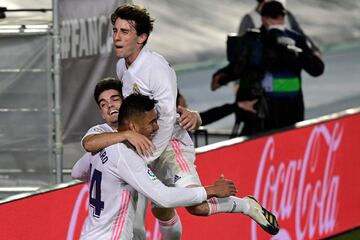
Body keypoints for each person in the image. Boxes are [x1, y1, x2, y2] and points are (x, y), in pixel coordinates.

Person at [84, 4, 279, 239]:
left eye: (125, 32)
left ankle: (246, 206)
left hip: (170, 145)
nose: (117, 37)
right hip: (146, 144)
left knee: (196, 206)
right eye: (115, 30)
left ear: (142, 37)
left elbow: (166, 119)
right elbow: (139, 110)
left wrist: (146, 155)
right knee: (160, 210)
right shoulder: (121, 66)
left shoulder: (155, 68)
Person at [72, 93, 238, 240]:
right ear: (133, 127)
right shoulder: (125, 156)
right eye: (151, 122)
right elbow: (164, 197)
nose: (156, 127)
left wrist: (110, 180)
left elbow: (77, 172)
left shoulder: (100, 147)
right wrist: (211, 190)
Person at [212, 1, 324, 136]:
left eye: (280, 17)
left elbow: (317, 69)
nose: (278, 21)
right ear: (263, 19)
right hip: (260, 111)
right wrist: (222, 77)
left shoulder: (295, 40)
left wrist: (298, 53)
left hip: (291, 110)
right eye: (274, 17)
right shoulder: (253, 40)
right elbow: (239, 67)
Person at [238, 0, 321, 55]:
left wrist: (313, 50)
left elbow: (299, 33)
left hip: (287, 69)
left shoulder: (286, 14)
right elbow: (241, 49)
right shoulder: (249, 18)